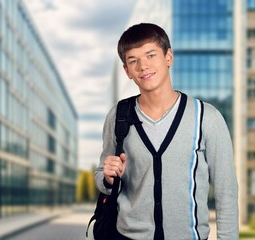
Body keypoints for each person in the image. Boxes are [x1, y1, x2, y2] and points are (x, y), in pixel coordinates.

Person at [95, 23, 238, 239]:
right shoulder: (118, 116)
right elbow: (102, 177)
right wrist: (108, 178)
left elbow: (226, 193)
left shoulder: (207, 118)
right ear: (127, 70)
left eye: (151, 55)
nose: (143, 66)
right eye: (133, 60)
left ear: (168, 57)